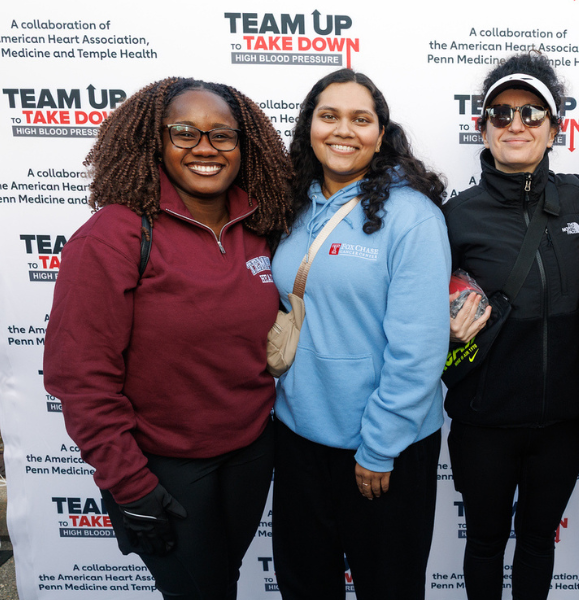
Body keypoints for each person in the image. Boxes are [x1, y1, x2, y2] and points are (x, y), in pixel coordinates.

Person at [43, 77, 292, 599]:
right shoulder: (115, 234)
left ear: (244, 148)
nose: (205, 148)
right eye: (184, 132)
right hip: (163, 467)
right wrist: (129, 485)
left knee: (224, 582)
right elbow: (79, 376)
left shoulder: (261, 225)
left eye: (222, 135)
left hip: (250, 453)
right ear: (154, 141)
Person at [271, 68, 451, 600]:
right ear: (309, 126)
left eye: (360, 119)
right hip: (300, 438)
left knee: (388, 588)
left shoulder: (413, 217)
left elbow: (418, 350)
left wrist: (378, 447)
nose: (343, 130)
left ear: (381, 133)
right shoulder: (293, 206)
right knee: (304, 586)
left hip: (381, 448)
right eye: (329, 116)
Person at [441, 52, 579, 600]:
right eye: (500, 113)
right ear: (482, 127)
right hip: (484, 422)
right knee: (484, 542)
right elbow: (415, 315)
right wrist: (446, 333)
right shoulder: (454, 216)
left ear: (555, 129)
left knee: (537, 541)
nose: (516, 125)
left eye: (533, 114)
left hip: (562, 423)